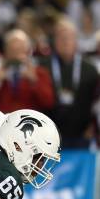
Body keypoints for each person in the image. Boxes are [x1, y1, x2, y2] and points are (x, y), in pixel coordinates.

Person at [39, 18, 99, 148]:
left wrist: (92, 127)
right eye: (61, 38)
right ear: (54, 41)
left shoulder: (89, 68)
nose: (65, 42)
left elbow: (96, 102)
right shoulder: (42, 68)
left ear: (76, 41)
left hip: (82, 135)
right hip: (49, 136)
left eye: (69, 38)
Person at [0, 29, 54, 113]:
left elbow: (49, 103)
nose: (16, 54)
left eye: (20, 49)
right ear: (6, 51)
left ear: (28, 51)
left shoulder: (40, 74)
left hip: (29, 122)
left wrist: (34, 81)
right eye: (12, 50)